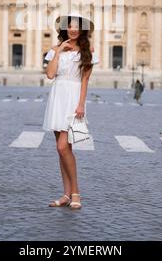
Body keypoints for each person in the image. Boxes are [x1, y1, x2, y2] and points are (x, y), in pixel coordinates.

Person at [43, 13, 99, 210]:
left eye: (77, 26)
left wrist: (81, 104)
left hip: (73, 99)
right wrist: (59, 52)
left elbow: (85, 80)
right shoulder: (55, 49)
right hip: (57, 97)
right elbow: (50, 75)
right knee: (63, 151)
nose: (73, 29)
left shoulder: (88, 51)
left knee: (62, 147)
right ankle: (66, 194)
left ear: (82, 30)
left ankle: (76, 192)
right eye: (70, 26)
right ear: (65, 29)